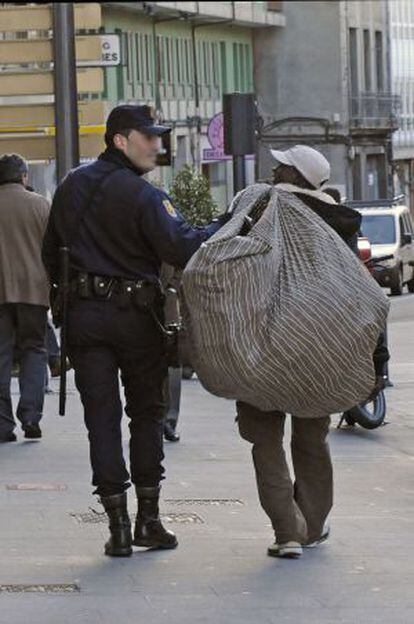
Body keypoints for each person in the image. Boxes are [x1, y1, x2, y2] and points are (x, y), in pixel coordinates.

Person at [42, 105, 229, 558]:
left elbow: (51, 252)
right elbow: (182, 246)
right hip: (136, 317)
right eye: (148, 137)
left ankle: (118, 527)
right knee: (146, 413)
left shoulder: (71, 187)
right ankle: (149, 519)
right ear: (120, 141)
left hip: (85, 318)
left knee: (100, 420)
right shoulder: (146, 196)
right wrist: (226, 224)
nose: (157, 146)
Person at [237, 145, 389, 559]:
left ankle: (288, 531)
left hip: (263, 347)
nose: (273, 169)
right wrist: (378, 360)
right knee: (312, 438)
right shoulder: (338, 222)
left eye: (281, 166)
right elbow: (363, 295)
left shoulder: (259, 208)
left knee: (264, 440)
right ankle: (313, 525)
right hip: (317, 351)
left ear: (295, 176)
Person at [0, 154, 50, 442]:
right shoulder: (41, 205)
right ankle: (31, 415)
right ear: (23, 177)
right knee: (34, 349)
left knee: (2, 355)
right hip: (33, 291)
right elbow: (56, 250)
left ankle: (3, 424)